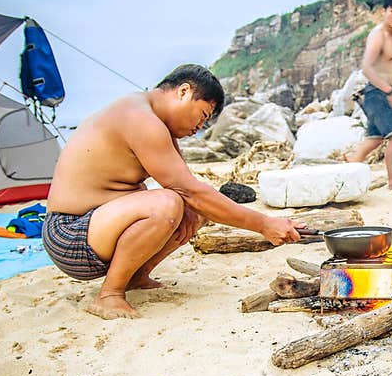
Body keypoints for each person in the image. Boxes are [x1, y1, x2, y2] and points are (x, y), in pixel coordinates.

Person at [43, 64, 304, 320]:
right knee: (168, 203)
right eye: (202, 116)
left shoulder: (154, 122)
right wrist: (264, 224)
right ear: (183, 91)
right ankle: (110, 294)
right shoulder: (139, 117)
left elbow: (193, 194)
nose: (199, 128)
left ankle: (136, 277)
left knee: (193, 209)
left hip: (99, 229)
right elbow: (189, 191)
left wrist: (196, 207)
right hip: (70, 235)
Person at [345, 0, 392, 189]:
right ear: (383, 12)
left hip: (381, 93)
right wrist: (389, 92)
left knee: (375, 139)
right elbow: (367, 68)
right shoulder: (378, 35)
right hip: (373, 92)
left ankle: (348, 170)